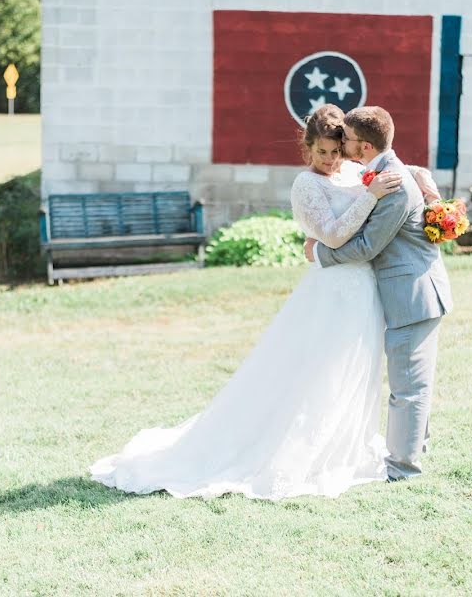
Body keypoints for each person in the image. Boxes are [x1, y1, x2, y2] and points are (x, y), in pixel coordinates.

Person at [89, 104, 438, 499]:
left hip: (365, 290)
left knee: (355, 369)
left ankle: (344, 445)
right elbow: (335, 235)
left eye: (336, 151)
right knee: (313, 369)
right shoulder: (306, 186)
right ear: (307, 150)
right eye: (321, 152)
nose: (329, 160)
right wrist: (364, 201)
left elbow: (387, 174)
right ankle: (293, 448)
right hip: (331, 288)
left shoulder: (359, 173)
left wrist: (416, 175)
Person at [305, 105, 453, 481]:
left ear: (366, 145)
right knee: (412, 381)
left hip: (413, 294)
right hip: (412, 291)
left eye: (349, 141)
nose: (343, 146)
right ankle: (414, 447)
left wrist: (320, 254)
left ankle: (402, 468)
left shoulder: (394, 185)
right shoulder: (387, 171)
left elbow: (369, 245)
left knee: (407, 386)